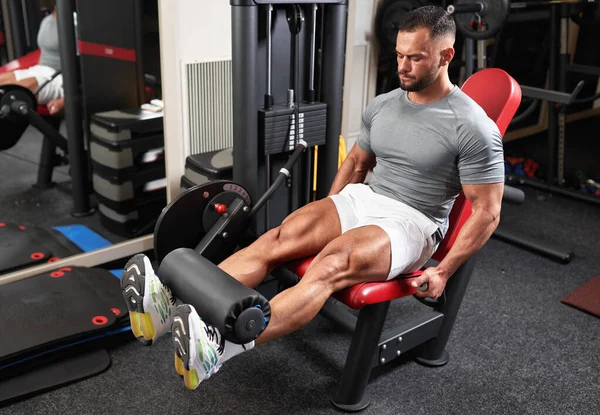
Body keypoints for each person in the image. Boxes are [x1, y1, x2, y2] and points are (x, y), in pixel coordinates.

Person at [121, 5, 505, 391]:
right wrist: (330, 208)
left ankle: (219, 349)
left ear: (446, 56)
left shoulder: (472, 126)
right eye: (400, 55)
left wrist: (443, 270)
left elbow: (487, 212)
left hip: (413, 222)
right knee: (278, 237)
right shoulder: (384, 105)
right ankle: (168, 305)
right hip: (365, 198)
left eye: (416, 58)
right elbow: (356, 162)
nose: (403, 66)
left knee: (332, 261)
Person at [0, 0, 64, 111]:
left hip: (60, 77)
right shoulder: (47, 21)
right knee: (2, 80)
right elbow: (43, 53)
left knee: (16, 89)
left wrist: (65, 100)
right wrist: (30, 71)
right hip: (41, 70)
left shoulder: (74, 22)